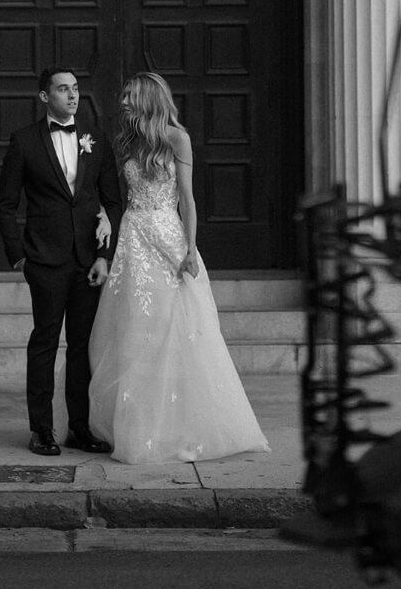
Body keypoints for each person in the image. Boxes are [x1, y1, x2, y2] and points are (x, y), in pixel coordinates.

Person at [88, 72, 270, 463]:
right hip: (133, 239)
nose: (122, 101)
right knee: (136, 330)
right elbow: (121, 197)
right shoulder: (128, 141)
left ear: (148, 99)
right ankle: (139, 428)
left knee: (179, 330)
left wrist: (190, 249)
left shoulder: (177, 138)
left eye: (129, 95)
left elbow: (186, 200)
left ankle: (185, 427)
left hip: (167, 238)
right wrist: (106, 215)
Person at [0, 66, 122, 457]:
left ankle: (79, 429)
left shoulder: (96, 139)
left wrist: (105, 255)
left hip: (88, 261)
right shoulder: (24, 141)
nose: (72, 96)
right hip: (44, 261)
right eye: (63, 89)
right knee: (45, 344)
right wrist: (19, 257)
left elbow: (113, 202)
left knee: (82, 346)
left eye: (76, 89)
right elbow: (5, 204)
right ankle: (42, 430)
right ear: (44, 96)